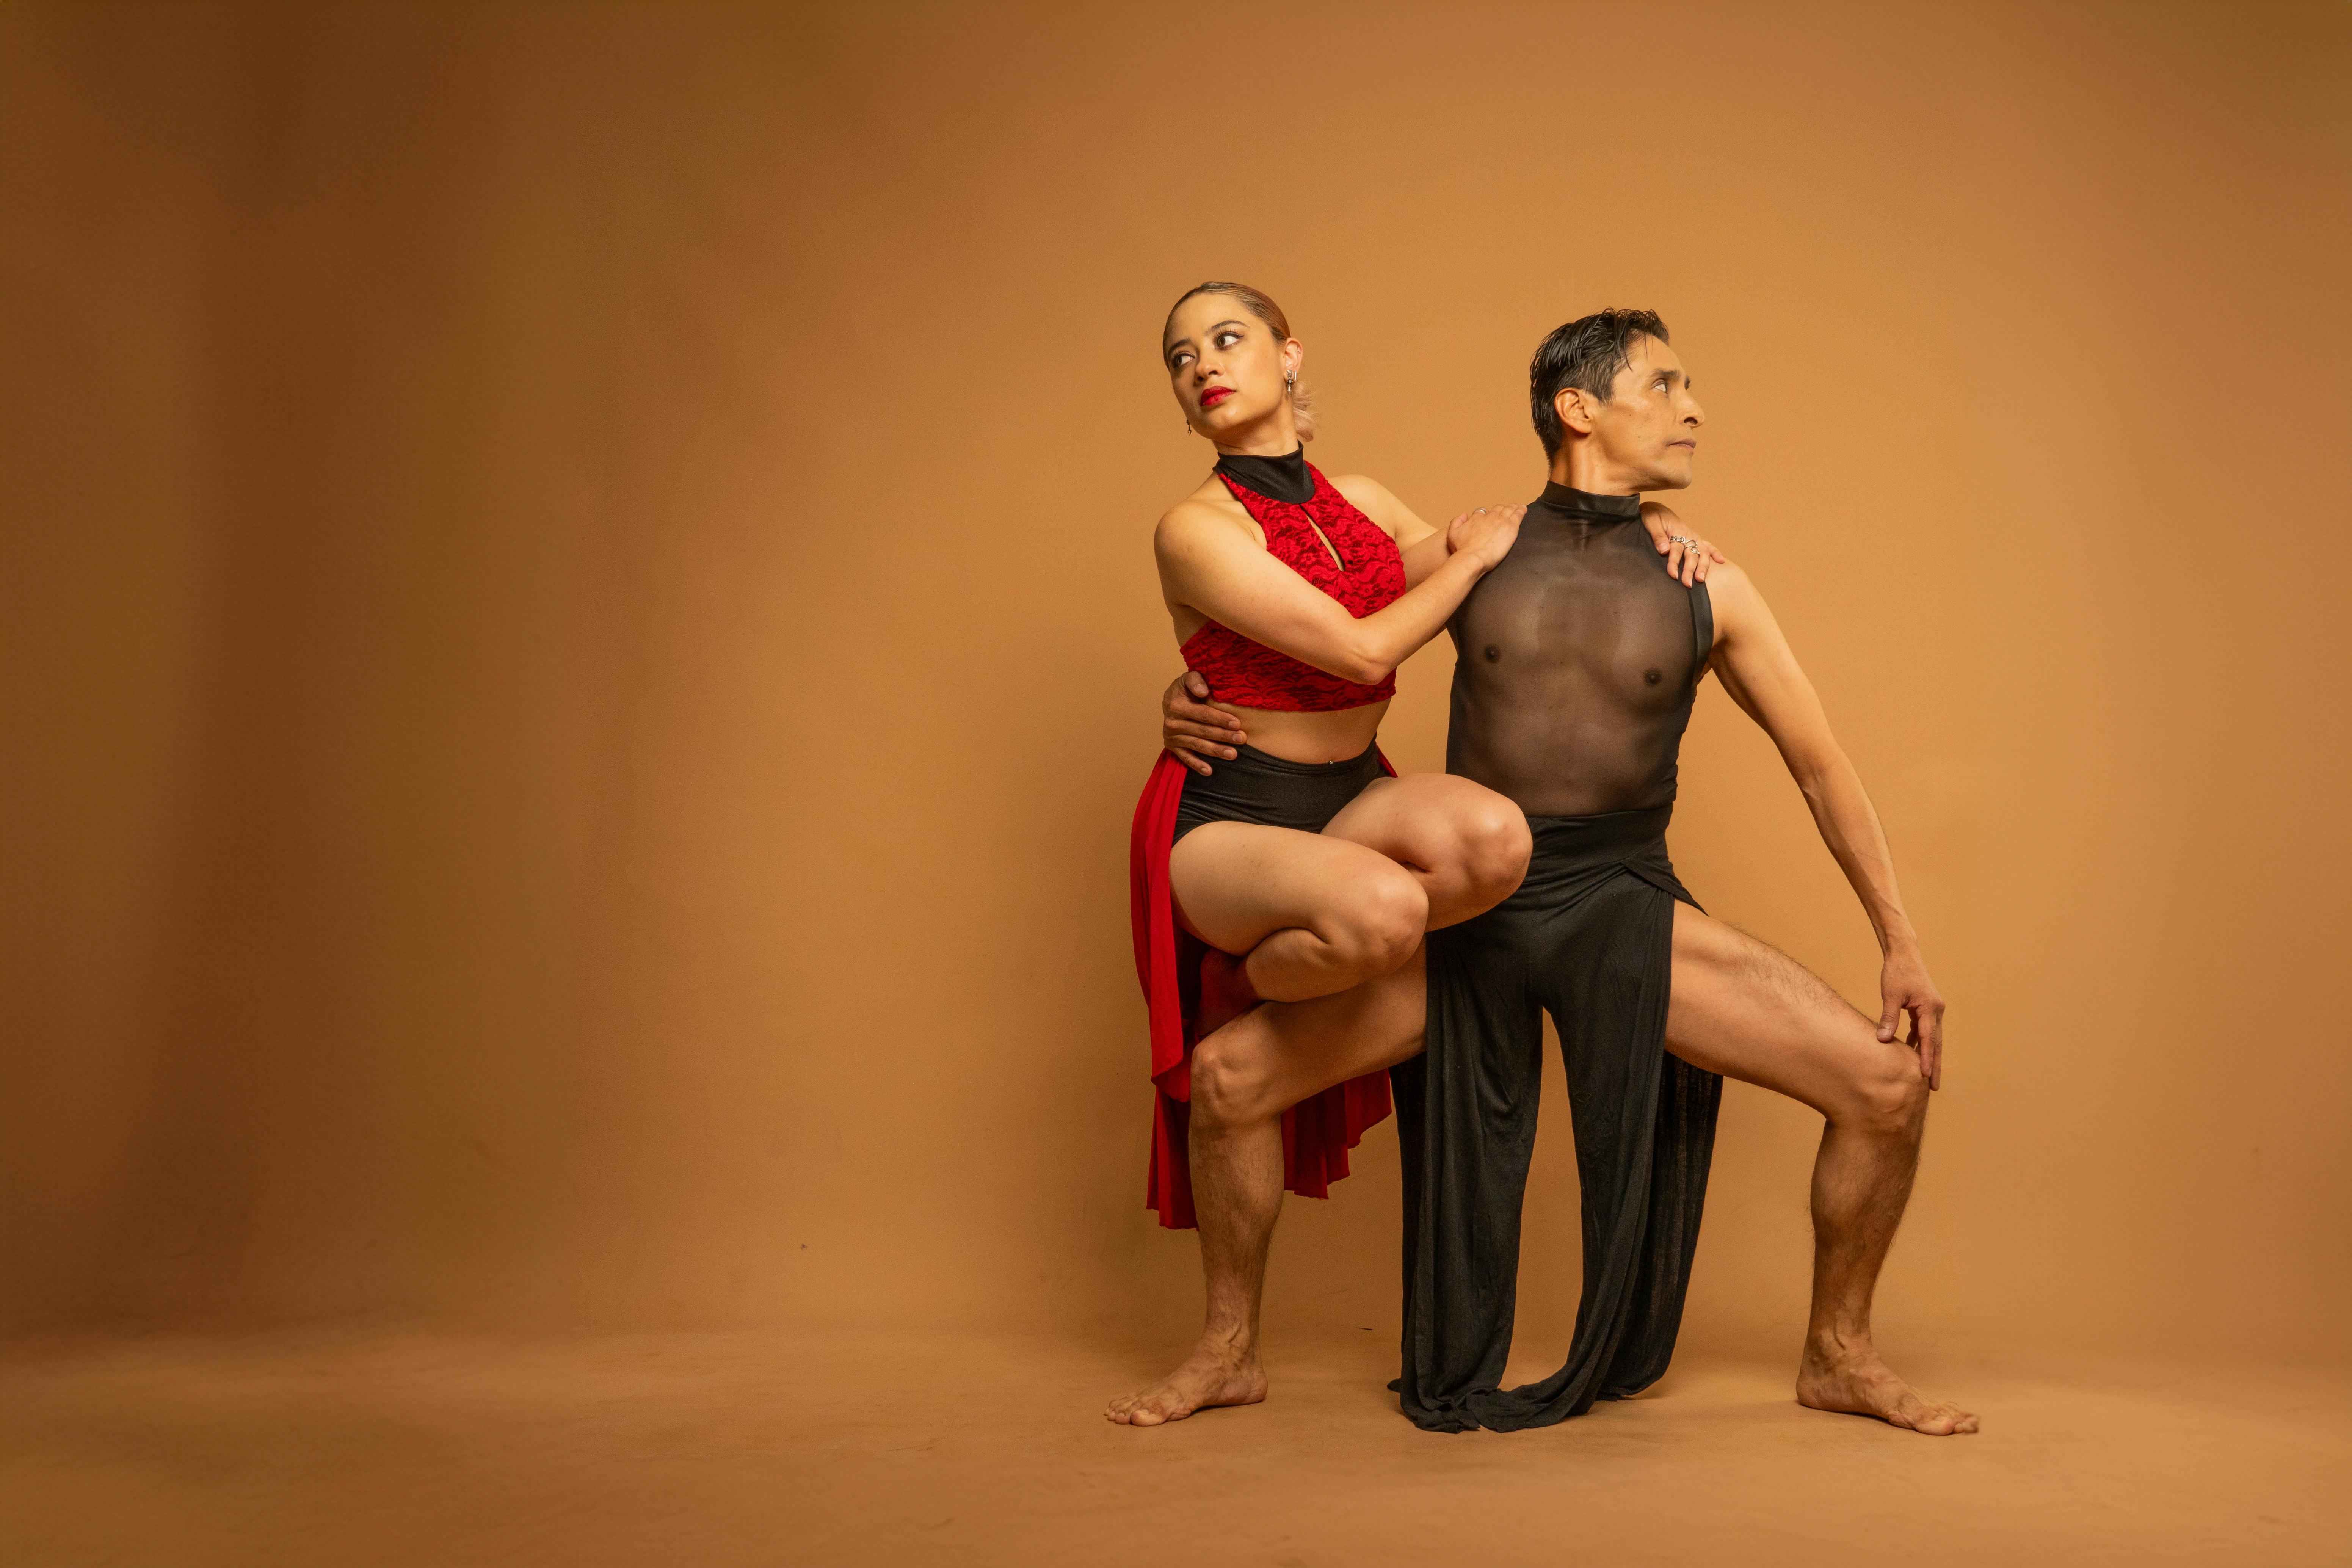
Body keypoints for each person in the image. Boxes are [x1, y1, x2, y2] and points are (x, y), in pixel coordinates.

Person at [1157, 310, 1977, 1436]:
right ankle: (1226, 1347)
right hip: (1472, 913)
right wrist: (1190, 695)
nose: (1693, 408)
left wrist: (1901, 941)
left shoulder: (1708, 578)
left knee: (1885, 1089)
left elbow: (1821, 767)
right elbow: (1326, 632)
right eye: (1667, 384)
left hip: (1619, 903)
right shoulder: (1473, 555)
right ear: (1577, 408)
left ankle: (1838, 1354)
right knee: (1227, 1086)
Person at [1114, 285, 1720, 1427]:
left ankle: (1261, 1002)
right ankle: (1227, 1326)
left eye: (1228, 338)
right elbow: (1353, 653)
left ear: (1290, 355)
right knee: (1390, 917)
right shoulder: (1193, 527)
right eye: (1180, 354)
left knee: (1495, 837)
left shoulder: (1363, 501)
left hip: (1349, 805)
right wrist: (1458, 560)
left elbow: (1528, 549)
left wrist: (1651, 532)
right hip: (1231, 822)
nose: (1205, 363)